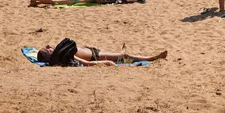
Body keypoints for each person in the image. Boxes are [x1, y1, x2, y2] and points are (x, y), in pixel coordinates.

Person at [36, 41, 166, 66]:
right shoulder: (63, 56)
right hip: (95, 56)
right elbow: (86, 63)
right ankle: (152, 58)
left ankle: (121, 52)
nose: (49, 48)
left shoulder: (60, 51)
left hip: (92, 50)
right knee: (123, 58)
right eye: (47, 51)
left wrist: (47, 50)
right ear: (48, 57)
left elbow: (50, 45)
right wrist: (104, 62)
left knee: (119, 55)